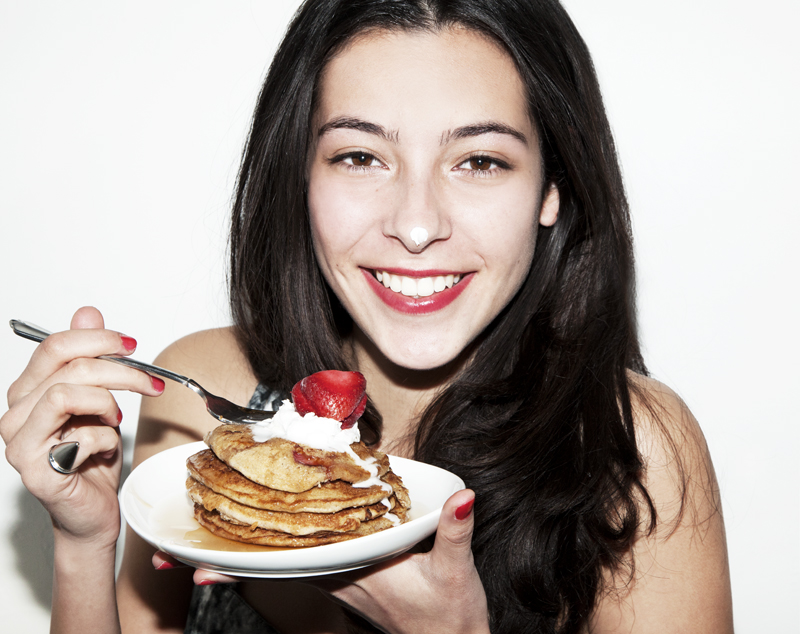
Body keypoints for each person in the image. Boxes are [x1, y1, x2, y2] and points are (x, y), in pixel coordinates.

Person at [0, 0, 733, 632]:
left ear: (553, 188)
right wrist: (84, 539)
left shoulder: (635, 452)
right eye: (360, 157)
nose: (416, 226)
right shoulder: (202, 400)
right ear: (302, 176)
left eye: (479, 161)